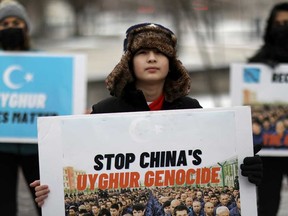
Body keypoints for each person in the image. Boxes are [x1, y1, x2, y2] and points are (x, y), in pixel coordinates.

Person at [30, 22, 262, 208]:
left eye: (160, 53)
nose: (152, 58)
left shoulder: (190, 109)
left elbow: (213, 159)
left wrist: (247, 172)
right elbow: (82, 164)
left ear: (171, 64)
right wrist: (53, 189)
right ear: (129, 63)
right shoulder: (104, 111)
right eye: (143, 52)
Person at [0, 0, 41, 215]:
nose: (10, 27)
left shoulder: (44, 62)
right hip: (1, 147)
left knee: (44, 201)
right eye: (4, 23)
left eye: (16, 22)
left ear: (25, 26)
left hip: (34, 146)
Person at [248, 2, 288, 216]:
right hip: (269, 152)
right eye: (278, 24)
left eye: (287, 24)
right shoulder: (257, 63)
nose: (282, 29)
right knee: (267, 206)